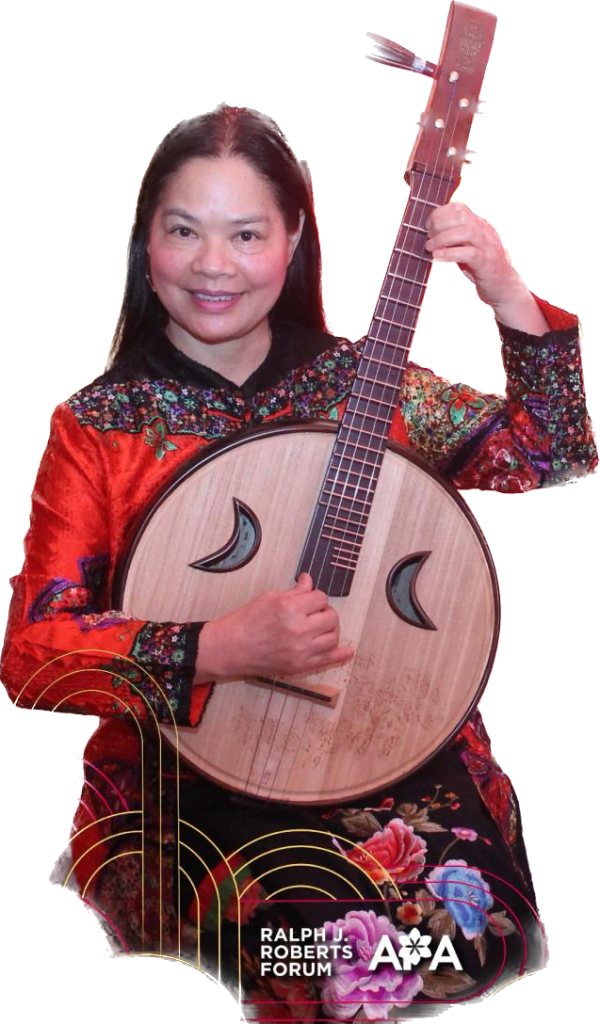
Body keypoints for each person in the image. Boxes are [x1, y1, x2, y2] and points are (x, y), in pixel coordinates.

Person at [1, 102, 596, 1018]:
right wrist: (219, 647)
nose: (213, 264)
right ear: (145, 246)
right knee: (303, 964)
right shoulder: (99, 428)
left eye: (246, 234)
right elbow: (35, 656)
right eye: (184, 231)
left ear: (293, 243)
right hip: (187, 780)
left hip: (386, 753)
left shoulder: (369, 386)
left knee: (473, 943)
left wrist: (505, 289)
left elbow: (552, 453)